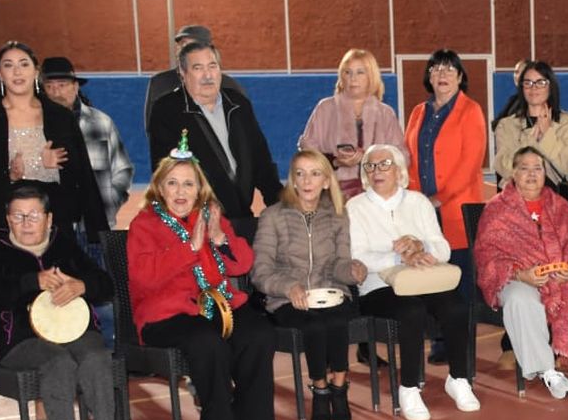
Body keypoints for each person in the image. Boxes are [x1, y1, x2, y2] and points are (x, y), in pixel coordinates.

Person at [0, 182, 125, 420]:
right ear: (8, 219)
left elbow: (105, 284)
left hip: (75, 332)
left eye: (34, 215)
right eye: (18, 216)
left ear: (49, 219)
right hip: (21, 341)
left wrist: (82, 285)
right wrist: (31, 282)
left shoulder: (64, 246)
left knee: (96, 356)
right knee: (58, 361)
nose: (26, 223)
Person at [129, 143, 277, 420]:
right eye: (172, 183)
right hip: (166, 315)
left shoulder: (211, 218)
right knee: (207, 341)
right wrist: (190, 249)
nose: (180, 191)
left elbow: (242, 264)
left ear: (200, 189)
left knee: (258, 333)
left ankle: (250, 417)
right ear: (159, 188)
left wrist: (219, 238)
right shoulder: (144, 224)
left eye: (188, 184)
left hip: (218, 305)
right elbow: (143, 277)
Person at [475, 147, 568, 401]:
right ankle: (547, 371)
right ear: (513, 174)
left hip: (559, 275)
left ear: (545, 173)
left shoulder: (558, 205)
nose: (532, 174)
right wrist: (521, 274)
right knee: (521, 300)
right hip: (517, 277)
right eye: (524, 168)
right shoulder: (496, 209)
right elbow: (487, 256)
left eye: (538, 168)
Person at [347, 143, 480, 420]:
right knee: (411, 310)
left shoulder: (419, 202)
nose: (376, 171)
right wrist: (399, 257)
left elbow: (443, 248)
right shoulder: (355, 207)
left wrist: (421, 247)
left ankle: (458, 379)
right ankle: (408, 387)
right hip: (378, 286)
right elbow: (358, 256)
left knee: (456, 306)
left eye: (385, 165)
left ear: (399, 171)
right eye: (370, 166)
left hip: (424, 280)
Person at [0, 40, 107, 245]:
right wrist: (9, 175)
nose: (17, 72)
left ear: (36, 72)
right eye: (8, 65)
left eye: (24, 64)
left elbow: (83, 175)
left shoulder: (61, 116)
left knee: (61, 266)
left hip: (55, 218)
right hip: (7, 219)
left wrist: (55, 168)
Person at [252, 149, 369, 420]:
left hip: (331, 290)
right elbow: (260, 271)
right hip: (285, 298)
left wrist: (353, 271)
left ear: (326, 181)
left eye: (315, 174)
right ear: (292, 180)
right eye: (300, 174)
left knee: (337, 319)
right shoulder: (272, 216)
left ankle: (339, 386)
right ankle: (320, 388)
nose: (307, 181)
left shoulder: (338, 215)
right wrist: (288, 288)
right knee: (314, 325)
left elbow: (340, 264)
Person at [146, 39, 283, 242]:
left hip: (242, 220)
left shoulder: (238, 104)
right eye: (198, 68)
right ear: (183, 73)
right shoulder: (167, 110)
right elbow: (165, 172)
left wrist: (281, 207)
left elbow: (261, 162)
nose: (207, 75)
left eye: (212, 66)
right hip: (197, 226)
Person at [402, 49, 488, 362]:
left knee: (459, 279)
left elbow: (470, 164)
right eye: (436, 69)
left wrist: (438, 199)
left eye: (450, 69)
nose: (442, 74)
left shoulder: (471, 111)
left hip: (456, 211)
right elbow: (409, 159)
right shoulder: (418, 112)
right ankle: (439, 340)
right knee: (430, 276)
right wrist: (415, 200)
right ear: (429, 76)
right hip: (423, 211)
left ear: (460, 77)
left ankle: (460, 344)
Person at [298, 48, 407, 201]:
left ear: (371, 76)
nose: (352, 78)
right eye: (347, 72)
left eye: (360, 72)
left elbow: (401, 157)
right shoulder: (325, 108)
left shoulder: (385, 113)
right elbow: (308, 154)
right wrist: (335, 161)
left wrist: (368, 158)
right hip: (333, 194)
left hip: (376, 194)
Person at [39, 57, 132, 230]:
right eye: (49, 86)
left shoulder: (102, 123)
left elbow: (123, 170)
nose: (56, 93)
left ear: (75, 87)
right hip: (52, 227)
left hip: (98, 224)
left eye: (62, 85)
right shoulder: (36, 127)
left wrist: (108, 203)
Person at [491, 60, 568, 192]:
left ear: (550, 86)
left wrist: (548, 134)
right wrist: (531, 139)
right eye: (528, 83)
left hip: (554, 199)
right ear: (522, 88)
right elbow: (503, 167)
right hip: (515, 199)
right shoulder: (507, 125)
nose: (533, 88)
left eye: (540, 82)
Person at [142, 24, 247, 131]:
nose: (182, 49)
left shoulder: (228, 85)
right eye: (181, 45)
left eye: (189, 45)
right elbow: (152, 126)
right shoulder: (159, 83)